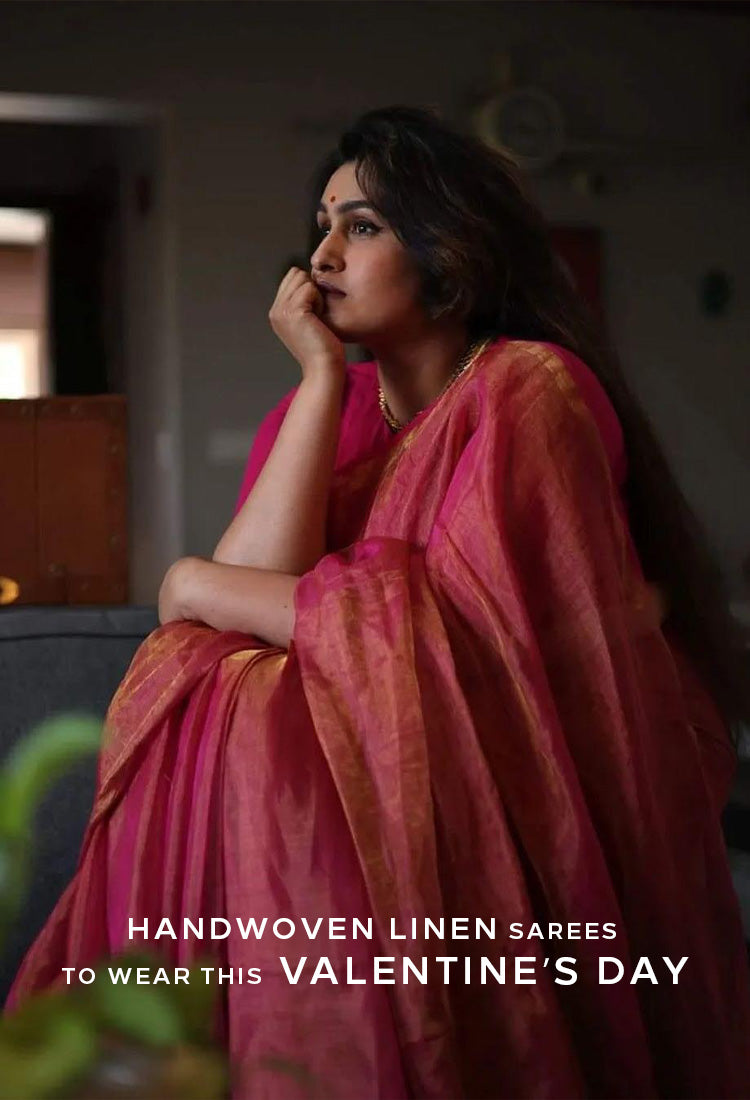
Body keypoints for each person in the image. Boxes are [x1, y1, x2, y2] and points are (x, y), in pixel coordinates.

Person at [5, 104, 750, 1099]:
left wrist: (189, 580)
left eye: (361, 227)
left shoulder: (529, 390)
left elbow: (466, 646)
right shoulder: (329, 407)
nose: (322, 256)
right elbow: (234, 614)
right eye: (321, 225)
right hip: (344, 823)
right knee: (228, 682)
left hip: (497, 788)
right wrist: (319, 380)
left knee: (253, 692)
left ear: (451, 248)